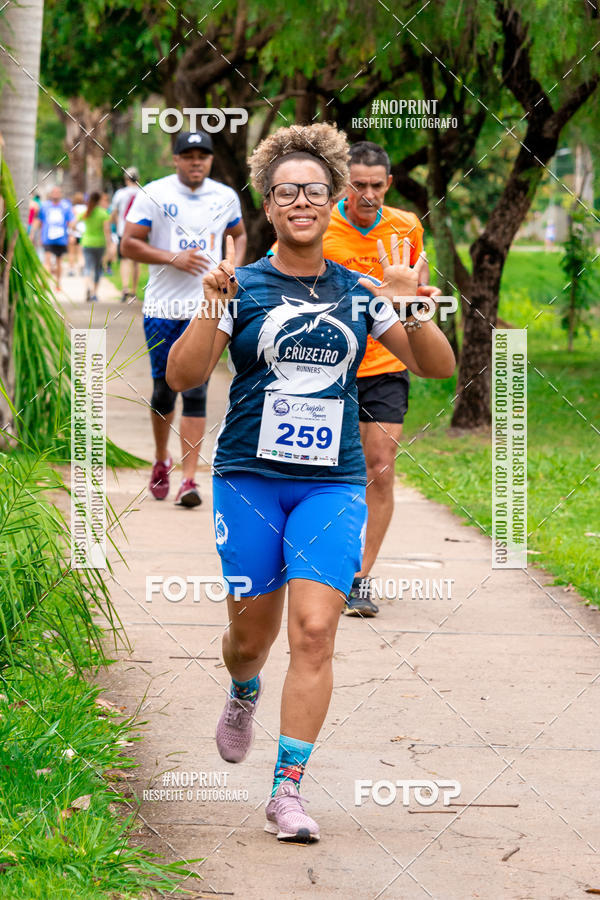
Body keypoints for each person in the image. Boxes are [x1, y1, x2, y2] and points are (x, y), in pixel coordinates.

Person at [166, 123, 455, 843]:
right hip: (250, 482)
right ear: (269, 203)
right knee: (250, 640)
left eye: (315, 191)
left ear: (330, 203)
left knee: (317, 631)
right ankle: (242, 690)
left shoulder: (361, 290)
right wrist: (209, 302)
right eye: (288, 191)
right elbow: (183, 377)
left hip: (332, 484)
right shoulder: (243, 285)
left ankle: (287, 792)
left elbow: (437, 367)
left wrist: (411, 304)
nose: (303, 201)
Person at [322, 141, 428, 617]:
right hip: (327, 364)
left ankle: (360, 577)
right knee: (327, 470)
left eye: (376, 186)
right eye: (358, 185)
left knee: (379, 465)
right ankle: (321, 566)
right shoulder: (319, 223)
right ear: (344, 184)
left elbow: (412, 285)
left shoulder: (407, 226)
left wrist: (413, 303)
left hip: (385, 363)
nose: (367, 195)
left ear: (389, 184)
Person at [121, 131, 247, 507]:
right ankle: (162, 459)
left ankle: (189, 480)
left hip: (206, 308)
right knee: (164, 391)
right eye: (188, 155)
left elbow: (238, 235)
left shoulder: (225, 196)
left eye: (203, 156)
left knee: (196, 390)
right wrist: (171, 258)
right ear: (175, 159)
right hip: (162, 309)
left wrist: (232, 264)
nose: (196, 162)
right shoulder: (154, 193)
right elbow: (128, 243)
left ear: (210, 161)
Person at [33, 186, 74, 290]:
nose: (55, 194)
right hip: (47, 238)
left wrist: (72, 235)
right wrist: (33, 233)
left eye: (57, 192)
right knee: (47, 261)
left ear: (60, 194)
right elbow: (39, 220)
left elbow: (71, 222)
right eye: (54, 192)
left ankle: (58, 283)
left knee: (59, 261)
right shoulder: (45, 206)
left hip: (61, 239)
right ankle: (45, 283)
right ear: (50, 194)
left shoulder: (66, 206)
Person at [111, 167, 141, 302]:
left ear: (126, 179)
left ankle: (125, 289)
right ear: (138, 179)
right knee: (136, 261)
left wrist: (117, 226)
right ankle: (134, 291)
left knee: (124, 260)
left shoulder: (120, 193)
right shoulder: (143, 193)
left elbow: (114, 213)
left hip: (124, 231)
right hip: (140, 231)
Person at [78, 191, 111, 302]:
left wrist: (80, 232)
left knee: (88, 267)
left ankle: (88, 287)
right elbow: (107, 231)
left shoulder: (86, 212)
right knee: (97, 268)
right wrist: (109, 245)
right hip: (99, 243)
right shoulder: (103, 213)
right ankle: (94, 293)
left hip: (87, 242)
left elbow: (72, 224)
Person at [68, 191, 87, 275]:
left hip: (73, 232)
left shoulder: (72, 209)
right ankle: (82, 267)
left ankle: (71, 270)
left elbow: (70, 221)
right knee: (81, 252)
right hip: (82, 232)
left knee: (71, 252)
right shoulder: (86, 209)